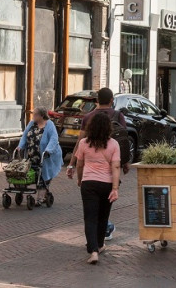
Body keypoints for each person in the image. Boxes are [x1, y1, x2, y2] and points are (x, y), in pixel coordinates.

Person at [76, 111, 120, 264]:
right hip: (106, 184)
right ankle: (100, 244)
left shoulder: (83, 143)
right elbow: (116, 166)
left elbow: (79, 164)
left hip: (89, 183)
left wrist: (80, 179)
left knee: (90, 218)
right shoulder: (114, 144)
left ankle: (93, 250)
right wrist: (115, 188)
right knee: (103, 217)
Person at [17, 108, 63, 201]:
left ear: (41, 116)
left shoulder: (49, 124)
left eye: (35, 115)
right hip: (31, 155)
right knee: (30, 173)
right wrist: (20, 146)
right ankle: (24, 191)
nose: (33, 116)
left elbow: (54, 139)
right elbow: (25, 135)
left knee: (43, 175)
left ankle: (40, 197)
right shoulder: (31, 123)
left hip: (46, 156)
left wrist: (48, 150)